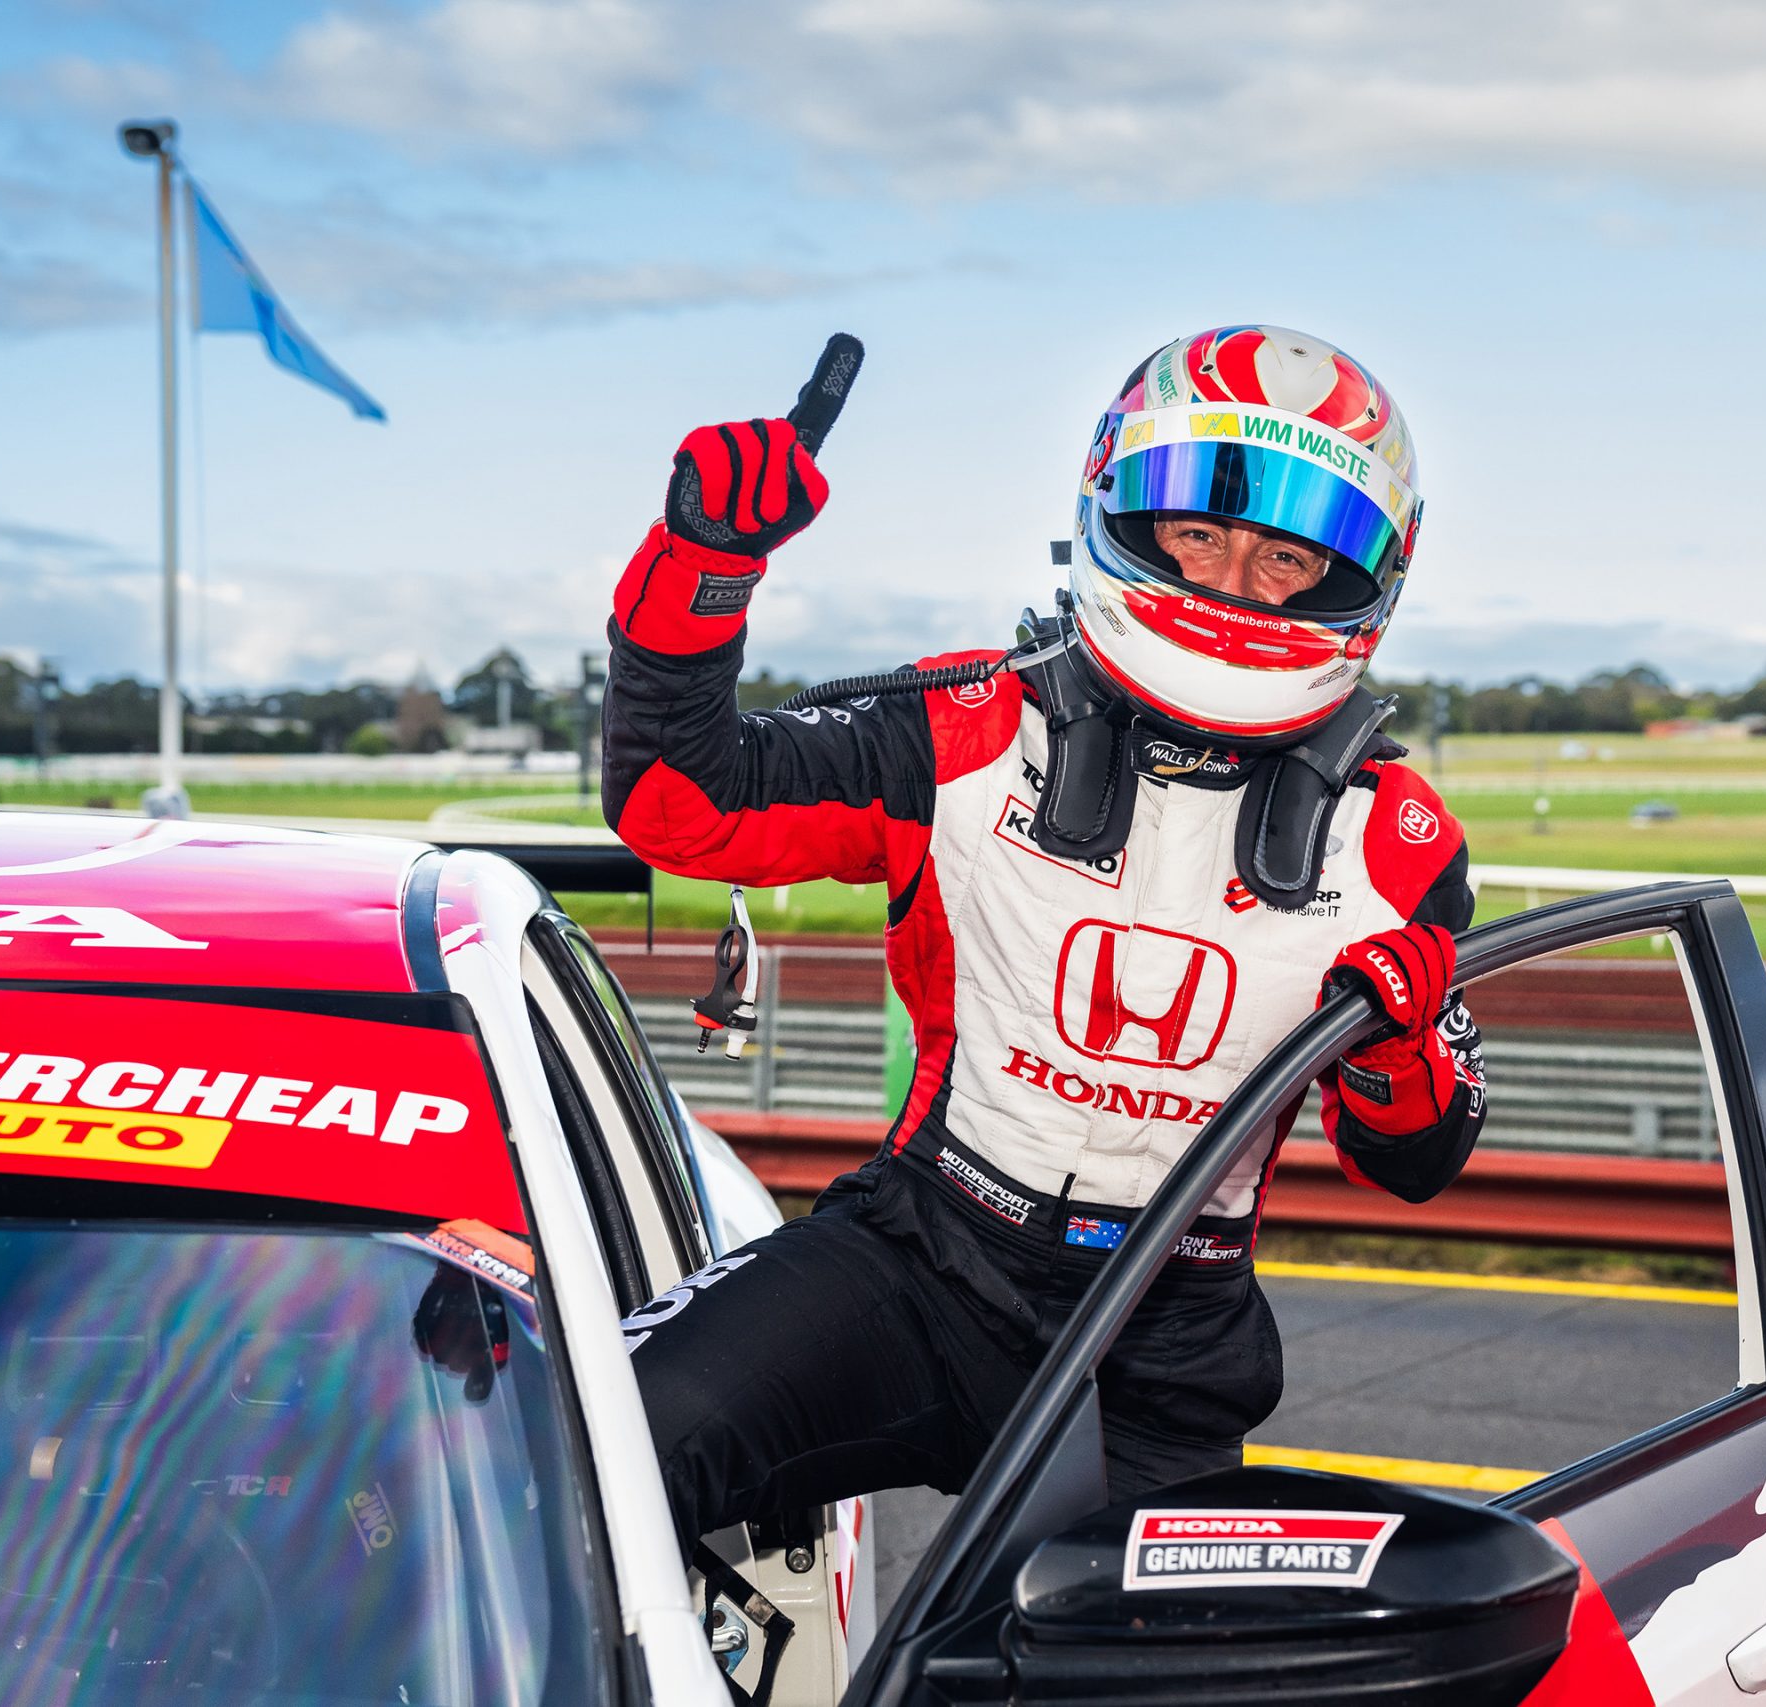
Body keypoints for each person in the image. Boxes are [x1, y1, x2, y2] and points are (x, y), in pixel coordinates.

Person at [602, 326, 1488, 1549]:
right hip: (919, 1260)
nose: (1236, 577)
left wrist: (1396, 1057)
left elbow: (1414, 1163)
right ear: (1118, 513)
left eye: (1286, 554)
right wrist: (705, 569)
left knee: (1108, 1653)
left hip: (1169, 1340)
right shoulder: (963, 721)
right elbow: (675, 807)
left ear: (1363, 574)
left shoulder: (1398, 839)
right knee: (586, 1454)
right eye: (1199, 531)